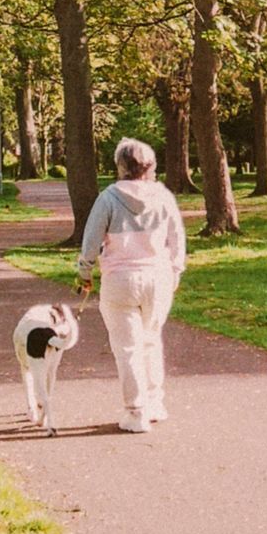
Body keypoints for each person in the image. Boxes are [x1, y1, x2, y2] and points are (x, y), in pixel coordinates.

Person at [77, 137, 186, 432]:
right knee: (151, 340)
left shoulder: (109, 198)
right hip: (158, 277)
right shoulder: (163, 196)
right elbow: (177, 237)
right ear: (149, 167)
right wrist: (175, 269)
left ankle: (136, 411)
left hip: (120, 280)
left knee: (127, 348)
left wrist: (84, 271)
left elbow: (90, 241)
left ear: (120, 166)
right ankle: (155, 403)